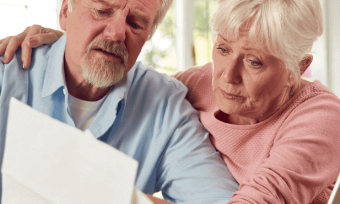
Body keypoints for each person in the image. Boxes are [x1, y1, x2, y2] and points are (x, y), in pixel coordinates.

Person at [2, 0, 340, 203]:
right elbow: (122, 71)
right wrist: (72, 44)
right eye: (222, 49)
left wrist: (100, 188)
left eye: (254, 62)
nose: (227, 77)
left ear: (299, 68)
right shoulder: (198, 86)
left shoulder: (321, 117)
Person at [0, 0, 240, 203]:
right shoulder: (6, 75)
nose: (116, 33)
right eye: (102, 10)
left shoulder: (167, 108)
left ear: (147, 36)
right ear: (65, 12)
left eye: (135, 23)